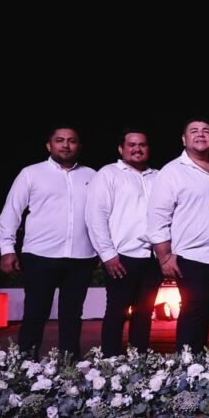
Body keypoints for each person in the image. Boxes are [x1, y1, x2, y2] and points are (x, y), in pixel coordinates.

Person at [0, 125, 98, 358]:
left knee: (72, 315)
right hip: (40, 255)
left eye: (71, 141)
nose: (66, 145)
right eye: (60, 140)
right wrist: (6, 249)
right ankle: (25, 365)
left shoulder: (92, 176)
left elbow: (100, 215)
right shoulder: (31, 173)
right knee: (35, 313)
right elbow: (11, 212)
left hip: (81, 256)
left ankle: (69, 366)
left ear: (79, 146)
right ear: (49, 145)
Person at [147, 118, 209, 353]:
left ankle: (198, 362)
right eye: (194, 131)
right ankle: (185, 364)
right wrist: (164, 257)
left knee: (208, 311)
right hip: (191, 255)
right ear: (184, 140)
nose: (200, 134)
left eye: (206, 130)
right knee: (193, 311)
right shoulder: (172, 171)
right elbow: (157, 217)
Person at [85, 130, 161, 356]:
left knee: (144, 312)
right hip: (121, 256)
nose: (137, 149)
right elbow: (96, 215)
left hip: (153, 256)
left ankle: (139, 361)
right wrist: (107, 254)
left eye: (142, 145)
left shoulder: (158, 176)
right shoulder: (108, 174)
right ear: (121, 149)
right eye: (132, 144)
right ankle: (111, 361)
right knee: (117, 311)